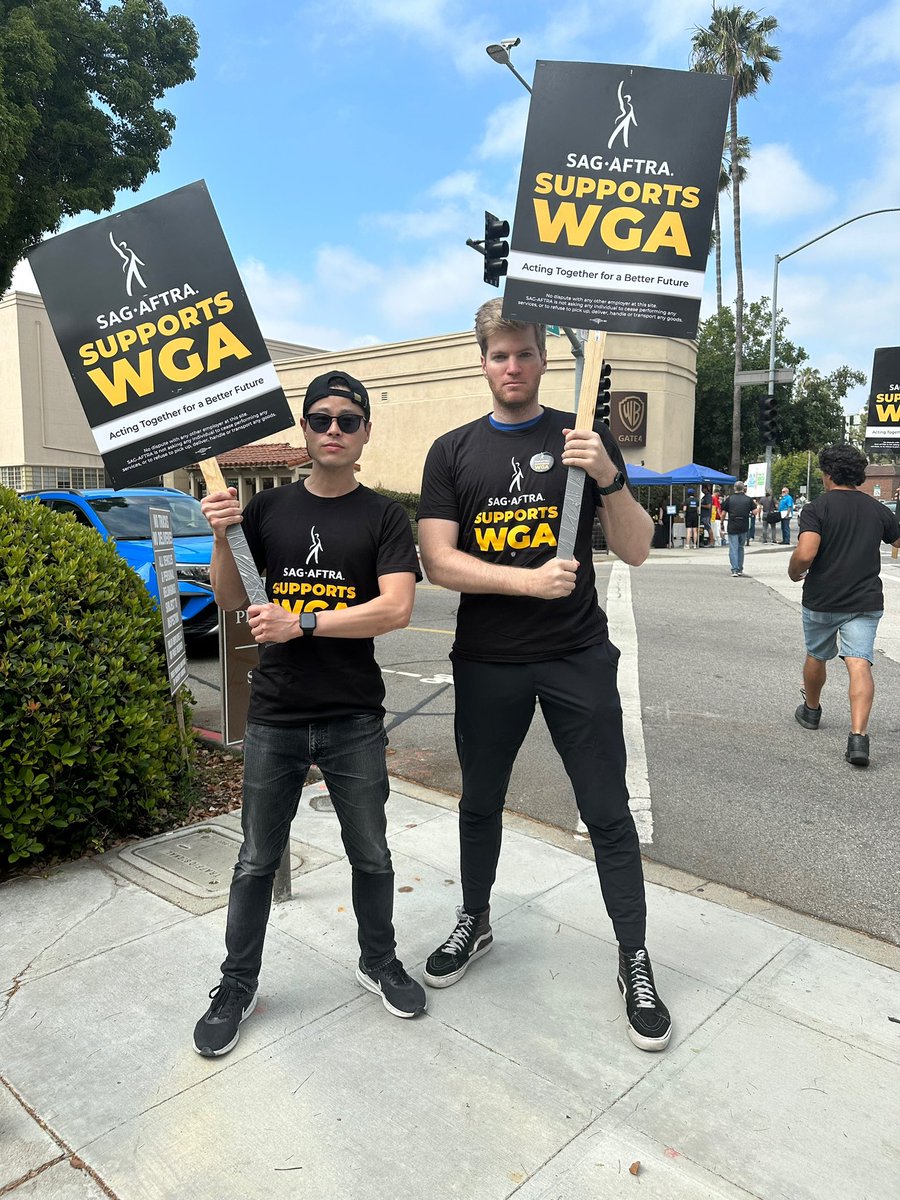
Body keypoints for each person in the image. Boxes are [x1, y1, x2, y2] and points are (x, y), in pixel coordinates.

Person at [417, 298, 671, 1053]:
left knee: (607, 812)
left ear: (543, 355)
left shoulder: (581, 438)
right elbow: (439, 559)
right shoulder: (453, 450)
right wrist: (527, 583)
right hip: (489, 660)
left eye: (525, 352)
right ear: (483, 360)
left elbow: (637, 550)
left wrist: (611, 479)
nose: (513, 366)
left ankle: (634, 957)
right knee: (480, 802)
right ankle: (476, 919)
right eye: (500, 355)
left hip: (575, 656)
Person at [192, 371, 426, 1057]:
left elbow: (397, 608)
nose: (333, 429)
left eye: (347, 420)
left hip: (353, 715)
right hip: (277, 716)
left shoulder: (384, 517)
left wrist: (306, 623)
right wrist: (221, 534)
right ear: (304, 429)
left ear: (364, 434)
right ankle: (237, 984)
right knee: (257, 859)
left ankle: (377, 960)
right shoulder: (267, 514)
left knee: (372, 853)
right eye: (320, 418)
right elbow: (234, 600)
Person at [789, 443, 900, 768]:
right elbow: (897, 540)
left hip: (823, 598)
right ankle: (858, 737)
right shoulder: (877, 508)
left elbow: (806, 553)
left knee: (817, 654)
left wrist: (795, 570)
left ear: (827, 474)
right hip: (865, 600)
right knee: (859, 662)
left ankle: (811, 710)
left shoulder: (817, 508)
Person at [721, 482, 756, 576]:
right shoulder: (748, 499)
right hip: (744, 525)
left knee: (733, 547)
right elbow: (755, 512)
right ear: (743, 488)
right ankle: (740, 568)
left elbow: (723, 513)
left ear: (734, 488)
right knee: (741, 547)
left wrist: (721, 523)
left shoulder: (729, 499)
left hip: (732, 524)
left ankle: (734, 569)